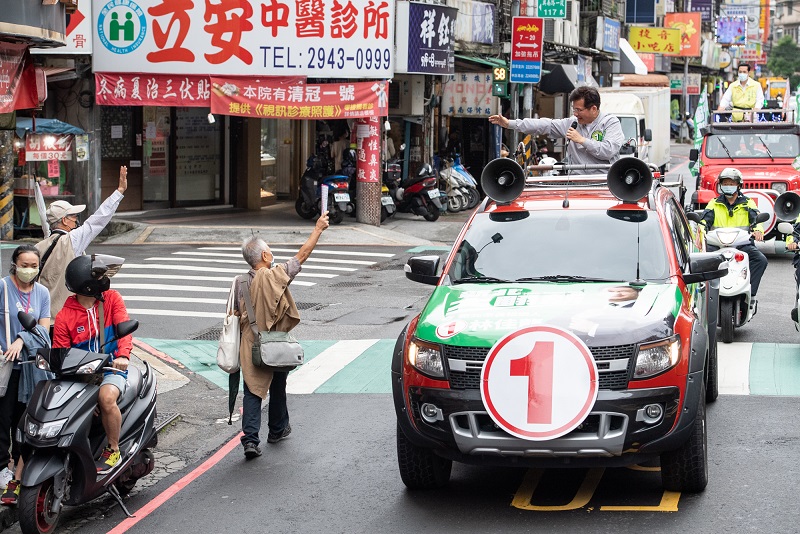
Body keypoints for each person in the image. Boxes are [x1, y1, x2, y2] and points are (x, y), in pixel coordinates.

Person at [236, 212, 329, 459]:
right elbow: (302, 256)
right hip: (275, 343)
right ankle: (276, 430)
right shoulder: (274, 275)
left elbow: (234, 314)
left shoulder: (240, 282)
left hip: (250, 343)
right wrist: (318, 229)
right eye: (270, 250)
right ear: (265, 256)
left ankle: (250, 441)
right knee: (278, 384)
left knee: (253, 390)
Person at [52, 254, 131, 473]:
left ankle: (113, 448)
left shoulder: (112, 299)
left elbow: (124, 329)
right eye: (99, 276)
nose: (105, 280)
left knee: (106, 398)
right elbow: (61, 355)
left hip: (111, 368)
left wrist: (123, 356)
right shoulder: (64, 317)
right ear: (88, 285)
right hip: (81, 376)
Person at [35, 166, 128, 323]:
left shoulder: (39, 246)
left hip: (43, 320)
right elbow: (98, 220)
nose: (76, 221)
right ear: (64, 220)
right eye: (73, 217)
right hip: (67, 319)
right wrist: (119, 191)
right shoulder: (72, 240)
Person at [0, 245, 51, 506]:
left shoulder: (42, 293)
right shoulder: (2, 287)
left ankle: (18, 471)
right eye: (24, 264)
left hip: (30, 367)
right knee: (2, 417)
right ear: (14, 263)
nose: (29, 270)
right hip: (4, 366)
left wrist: (21, 339)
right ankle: (2, 468)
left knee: (23, 421)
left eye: (34, 266)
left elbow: (43, 331)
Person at [488, 86, 625, 174]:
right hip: (574, 183)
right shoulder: (572, 122)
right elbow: (544, 125)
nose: (575, 113)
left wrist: (582, 140)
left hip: (602, 183)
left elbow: (608, 151)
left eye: (579, 110)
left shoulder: (610, 123)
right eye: (574, 109)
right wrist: (511, 123)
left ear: (593, 108)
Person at [700, 168, 768, 307]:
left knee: (760, 260)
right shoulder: (714, 203)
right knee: (699, 262)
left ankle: (750, 294)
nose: (728, 186)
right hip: (717, 245)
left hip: (741, 245)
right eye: (725, 183)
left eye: (731, 183)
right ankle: (704, 295)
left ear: (738, 185)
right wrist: (700, 232)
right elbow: (704, 221)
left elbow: (756, 220)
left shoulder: (748, 203)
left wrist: (757, 231)